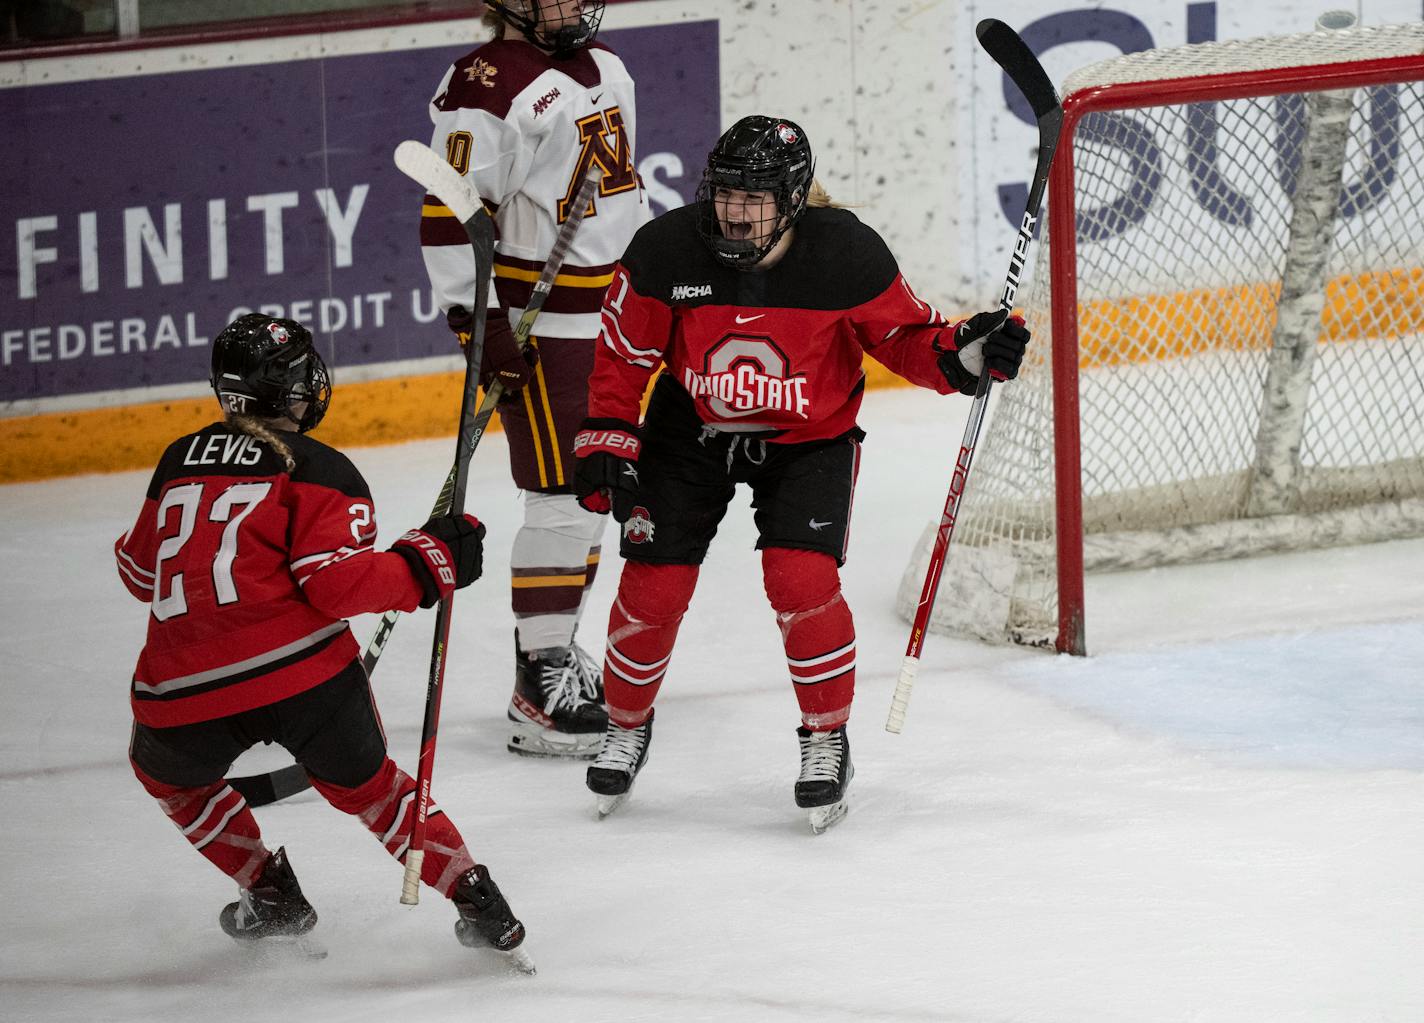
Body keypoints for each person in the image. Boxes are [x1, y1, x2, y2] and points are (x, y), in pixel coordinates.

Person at [571, 115, 1030, 831]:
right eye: (725, 193)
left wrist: (962, 354)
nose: (736, 211)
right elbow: (624, 354)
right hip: (689, 432)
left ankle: (825, 740)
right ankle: (626, 723)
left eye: (755, 198)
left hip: (809, 439)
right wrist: (609, 435)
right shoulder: (665, 251)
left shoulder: (844, 253)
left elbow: (905, 339)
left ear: (790, 200)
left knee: (800, 578)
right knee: (652, 581)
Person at [117, 313, 530, 966]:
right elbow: (335, 587)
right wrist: (426, 564)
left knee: (174, 782)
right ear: (288, 392)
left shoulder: (177, 458)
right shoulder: (319, 467)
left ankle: (269, 891)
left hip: (182, 691)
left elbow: (139, 572)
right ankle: (478, 898)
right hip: (306, 678)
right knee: (377, 792)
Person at [420, 0, 650, 759]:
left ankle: (555, 651)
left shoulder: (608, 65)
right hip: (543, 330)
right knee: (560, 500)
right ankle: (538, 684)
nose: (572, 2)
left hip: (611, 320)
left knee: (590, 496)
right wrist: (477, 324)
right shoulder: (484, 86)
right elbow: (450, 214)